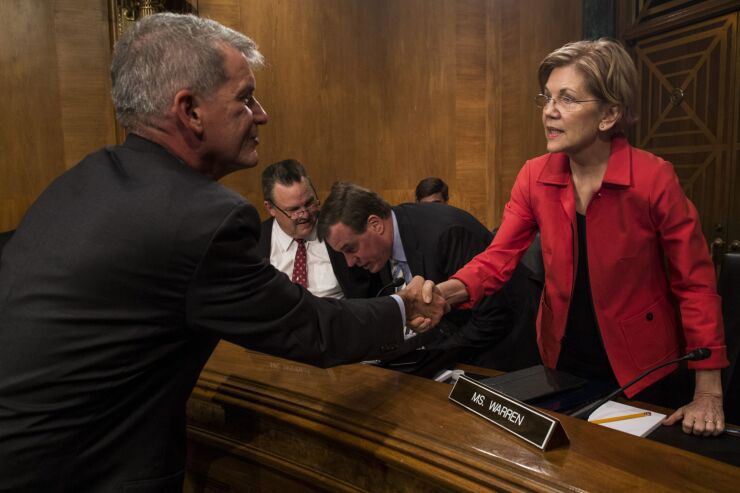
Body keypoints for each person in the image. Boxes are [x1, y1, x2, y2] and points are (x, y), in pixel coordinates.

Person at [0, 13, 445, 492]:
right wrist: (405, 308)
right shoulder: (201, 218)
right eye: (245, 97)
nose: (261, 114)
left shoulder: (81, 180)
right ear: (189, 111)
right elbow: (312, 329)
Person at [436, 38, 727, 435]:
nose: (549, 112)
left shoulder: (653, 178)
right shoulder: (534, 175)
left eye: (568, 99)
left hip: (645, 369)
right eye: (547, 98)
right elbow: (497, 257)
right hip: (562, 359)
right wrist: (444, 294)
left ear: (609, 114)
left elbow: (695, 285)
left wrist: (708, 392)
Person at [317, 182, 536, 365]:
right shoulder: (380, 248)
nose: (350, 262)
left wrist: (428, 355)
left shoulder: (446, 235)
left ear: (375, 225)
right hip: (461, 348)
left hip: (507, 355)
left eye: (350, 249)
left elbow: (494, 317)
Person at [258, 159, 381, 299]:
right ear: (270, 208)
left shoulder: (342, 230)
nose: (304, 214)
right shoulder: (254, 242)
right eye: (294, 210)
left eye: (309, 203)